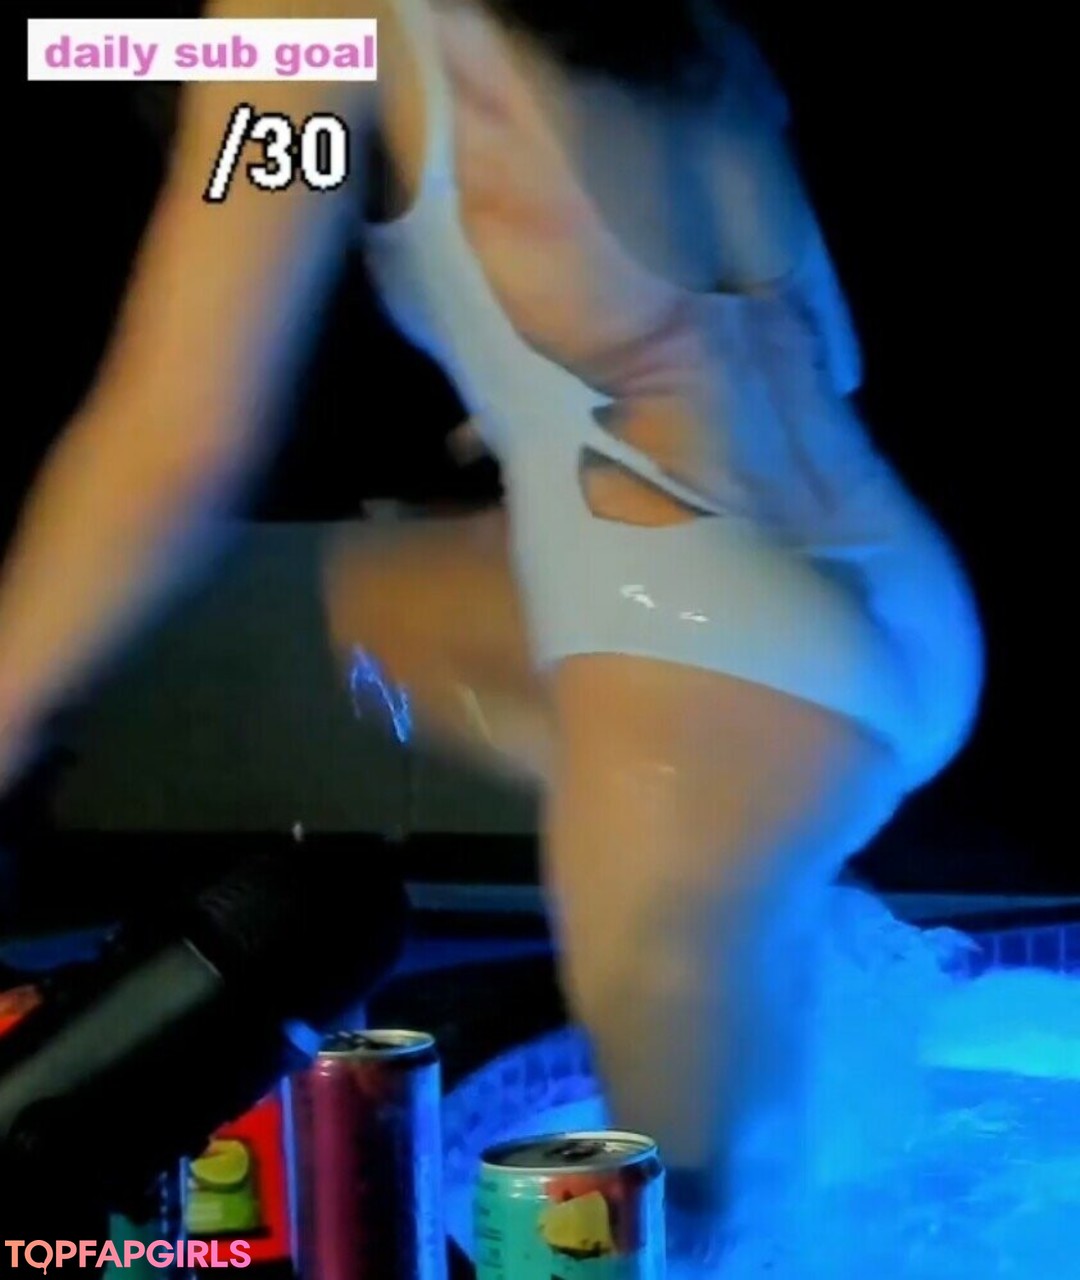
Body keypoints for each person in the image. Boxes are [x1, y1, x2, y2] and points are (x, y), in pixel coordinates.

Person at [1, 0, 983, 1264]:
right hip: (906, 596)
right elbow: (817, 351)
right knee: (383, 602)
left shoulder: (300, 23)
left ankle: (722, 857)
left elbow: (172, 439)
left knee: (690, 1242)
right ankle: (761, 892)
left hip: (710, 688)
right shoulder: (673, 30)